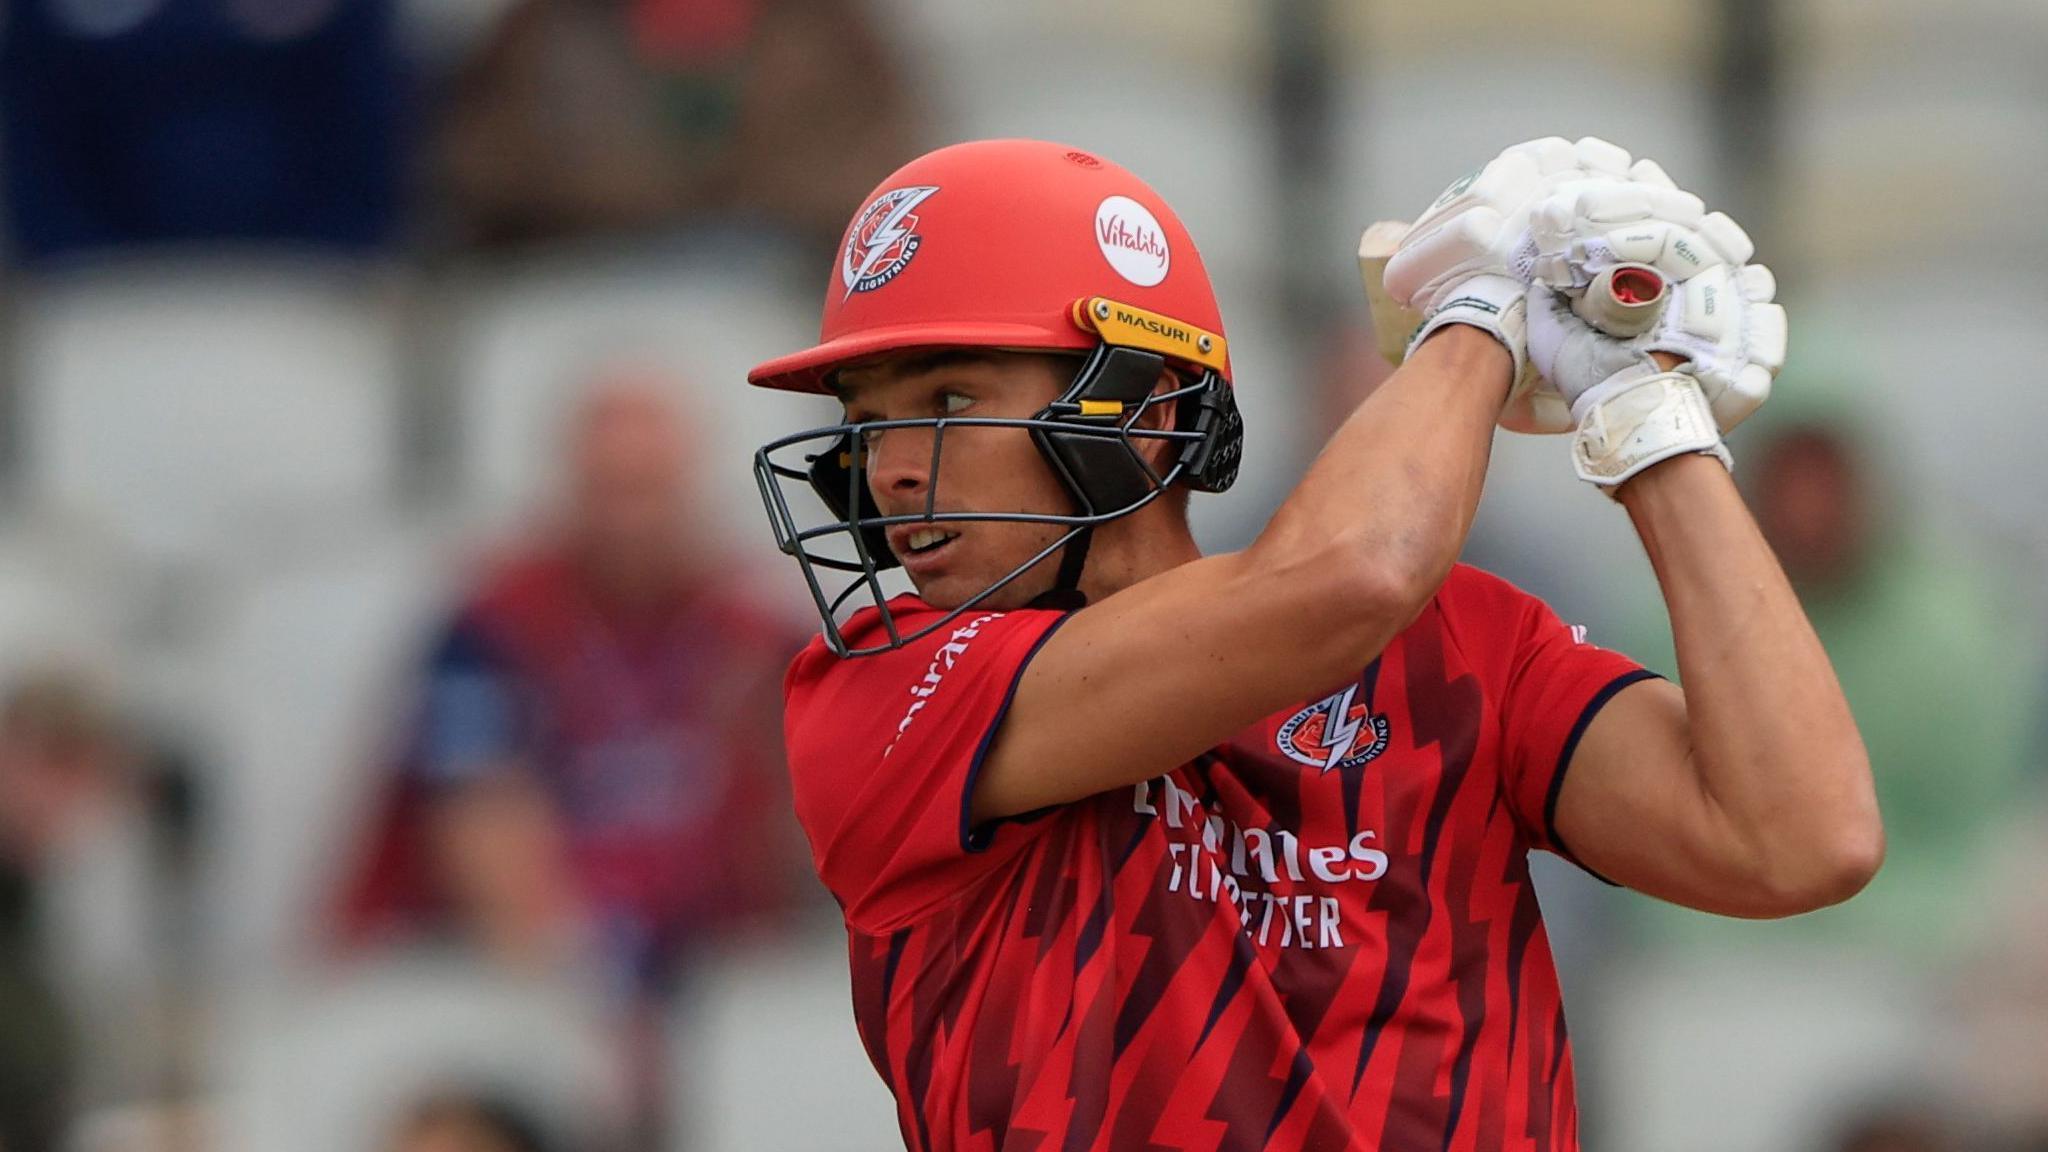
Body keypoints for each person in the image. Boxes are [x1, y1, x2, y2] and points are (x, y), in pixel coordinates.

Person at [746, 137, 1880, 1150]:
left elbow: (1800, 839)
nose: (891, 470)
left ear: (1145, 413)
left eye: (948, 402)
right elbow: (1355, 574)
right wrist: (1483, 310)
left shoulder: (1465, 644)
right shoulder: (881, 689)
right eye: (867, 422)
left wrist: (1645, 414)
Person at [333, 373, 807, 1139]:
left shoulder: (755, 633)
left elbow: (810, 823)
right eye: (609, 490)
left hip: (710, 971)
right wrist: (604, 1013)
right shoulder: (488, 626)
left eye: (650, 490)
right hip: (515, 979)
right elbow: (483, 839)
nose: (630, 519)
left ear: (693, 492)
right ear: (566, 491)